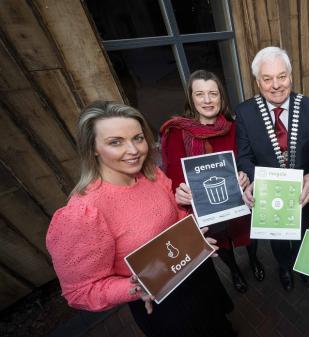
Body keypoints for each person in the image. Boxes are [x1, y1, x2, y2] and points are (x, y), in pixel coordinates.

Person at [46, 101, 236, 337]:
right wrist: (135, 288)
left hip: (197, 275)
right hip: (164, 302)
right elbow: (80, 291)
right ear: (93, 148)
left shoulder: (152, 175)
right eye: (115, 142)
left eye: (137, 138)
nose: (134, 150)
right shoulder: (83, 213)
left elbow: (176, 217)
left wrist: (196, 238)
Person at [160, 69, 263, 294]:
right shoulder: (178, 132)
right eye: (200, 94)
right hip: (203, 204)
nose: (207, 100)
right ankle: (234, 270)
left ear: (221, 97)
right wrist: (181, 191)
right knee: (220, 241)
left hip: (238, 199)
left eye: (213, 94)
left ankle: (254, 260)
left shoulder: (234, 127)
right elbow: (175, 174)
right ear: (191, 98)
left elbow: (246, 158)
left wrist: (245, 175)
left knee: (248, 235)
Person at [236, 46, 309, 292]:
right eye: (267, 79)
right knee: (277, 239)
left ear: (291, 76)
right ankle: (284, 266)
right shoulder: (245, 113)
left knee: (302, 231)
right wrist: (257, 180)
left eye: (281, 76)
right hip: (269, 197)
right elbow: (243, 157)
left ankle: (303, 263)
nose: (275, 85)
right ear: (257, 81)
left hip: (302, 196)